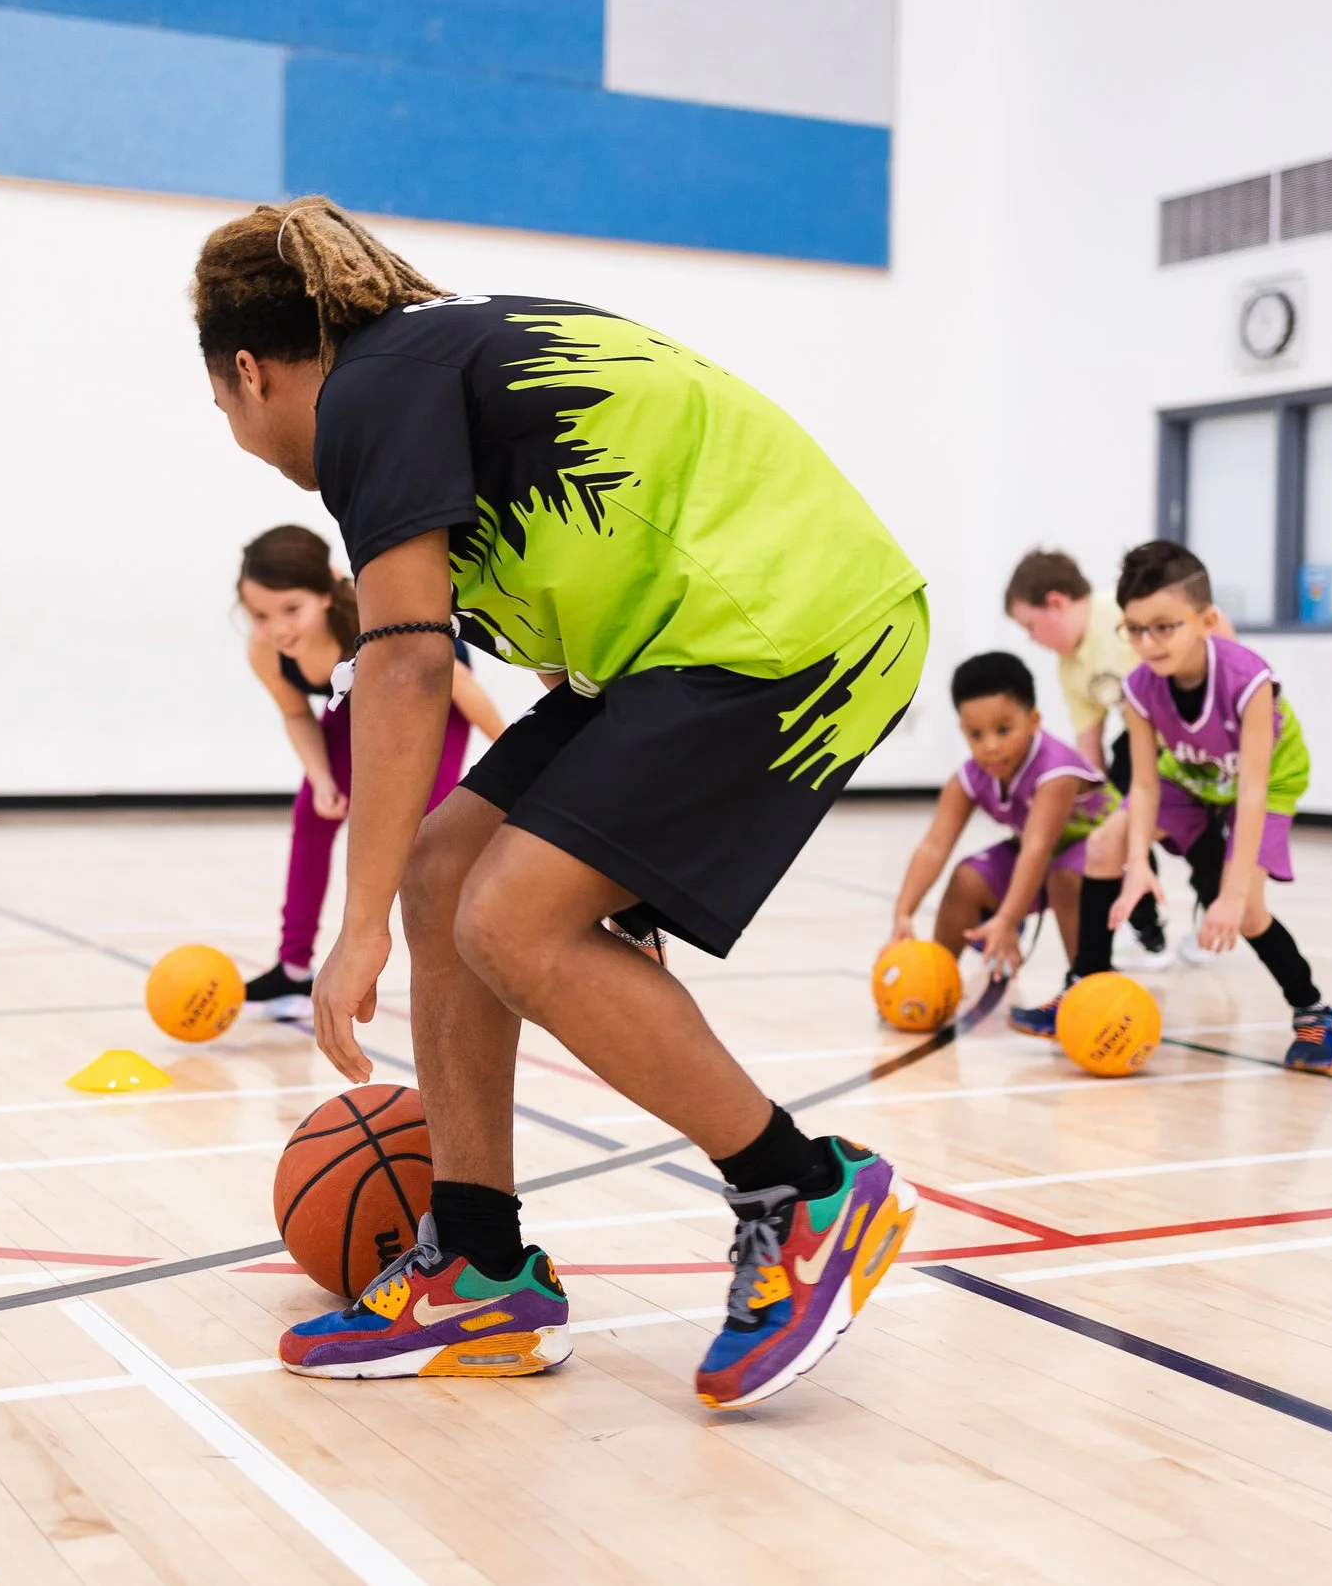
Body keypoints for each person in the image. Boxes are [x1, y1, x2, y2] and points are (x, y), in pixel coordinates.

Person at [193, 196, 927, 1409]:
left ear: (251, 370)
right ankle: (480, 1263)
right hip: (675, 641)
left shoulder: (370, 398)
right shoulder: (421, 368)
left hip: (778, 623)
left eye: (218, 399)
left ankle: (803, 1192)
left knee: (507, 917)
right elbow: (566, 569)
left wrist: (356, 922)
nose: (227, 419)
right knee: (450, 875)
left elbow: (409, 662)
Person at [1008, 541, 1332, 1072]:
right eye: (1135, 629)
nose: (1148, 642)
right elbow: (1143, 787)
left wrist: (1233, 895)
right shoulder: (1141, 687)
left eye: (1164, 626)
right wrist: (1139, 863)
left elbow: (1253, 789)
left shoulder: (1248, 680)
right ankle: (1084, 987)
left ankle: (1315, 1011)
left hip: (1264, 783)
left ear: (1206, 620)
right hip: (1187, 777)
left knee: (1248, 909)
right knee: (1104, 843)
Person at [236, 524, 504, 1012]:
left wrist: (515, 754)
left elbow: (460, 686)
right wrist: (320, 779)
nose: (278, 628)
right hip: (359, 699)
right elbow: (297, 713)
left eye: (291, 609)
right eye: (259, 614)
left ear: (327, 588)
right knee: (313, 814)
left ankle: (465, 969)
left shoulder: (368, 622)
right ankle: (293, 969)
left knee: (424, 839)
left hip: (432, 692)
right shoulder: (265, 651)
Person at [889, 652, 1114, 983]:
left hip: (1108, 865)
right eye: (976, 735)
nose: (991, 746)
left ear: (1034, 720)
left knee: (1064, 877)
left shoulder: (1057, 770)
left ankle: (1086, 984)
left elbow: (1037, 848)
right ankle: (936, 980)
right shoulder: (967, 778)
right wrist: (903, 913)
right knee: (967, 879)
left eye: (1003, 729)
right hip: (1043, 862)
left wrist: (1009, 918)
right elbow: (934, 846)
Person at [1003, 549, 1176, 968]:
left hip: (1181, 740)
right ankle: (1147, 929)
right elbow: (1090, 741)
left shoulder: (1120, 616)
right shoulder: (1069, 667)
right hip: (1138, 746)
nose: (1032, 638)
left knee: (1186, 838)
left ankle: (1213, 910)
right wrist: (1094, 802)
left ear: (1057, 604)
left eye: (1030, 625)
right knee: (1118, 821)